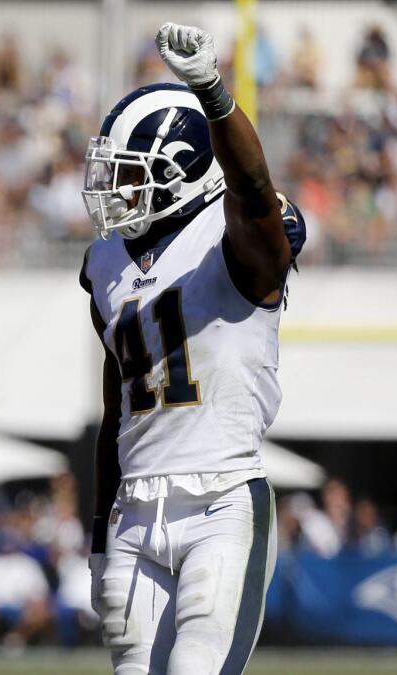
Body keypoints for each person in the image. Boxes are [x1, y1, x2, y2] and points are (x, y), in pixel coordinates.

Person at [79, 23, 307, 674]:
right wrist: (99, 532)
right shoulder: (106, 262)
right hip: (133, 514)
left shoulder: (233, 238)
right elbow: (116, 402)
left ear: (180, 172)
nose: (113, 192)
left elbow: (256, 195)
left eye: (131, 176)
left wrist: (212, 91)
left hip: (222, 499)